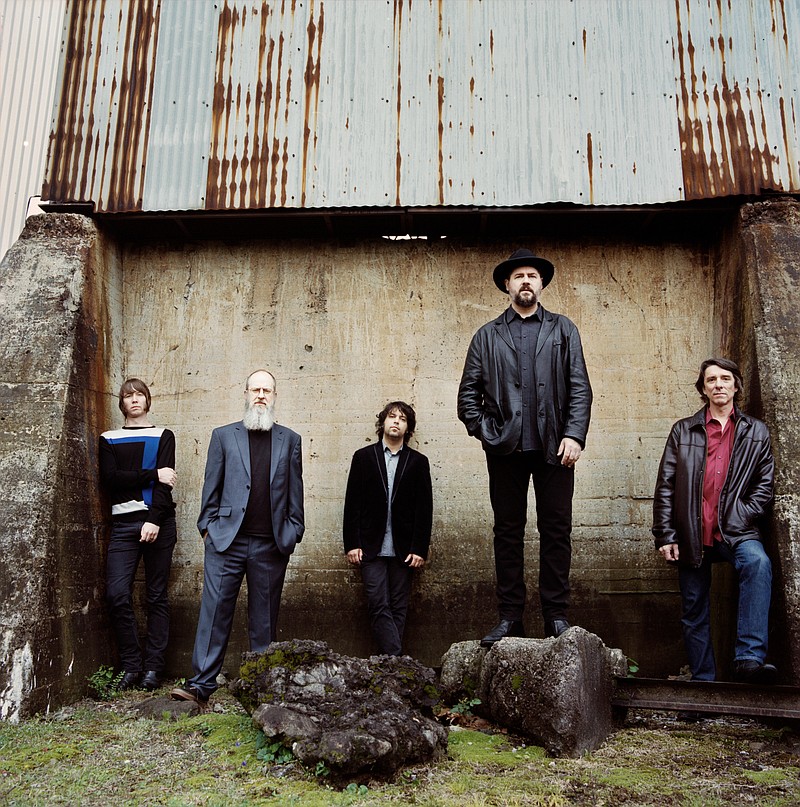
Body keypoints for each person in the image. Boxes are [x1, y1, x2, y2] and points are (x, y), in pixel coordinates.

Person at [457, 248, 592, 647]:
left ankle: (556, 616)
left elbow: (580, 388)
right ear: (507, 285)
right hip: (505, 450)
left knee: (556, 531)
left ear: (542, 283)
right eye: (519, 277)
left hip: (556, 449)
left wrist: (574, 434)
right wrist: (488, 432)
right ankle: (510, 617)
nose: (526, 281)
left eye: (533, 275)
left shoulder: (564, 329)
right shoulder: (487, 335)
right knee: (507, 533)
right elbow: (468, 397)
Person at [171, 369, 304, 707]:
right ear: (245, 393)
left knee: (264, 619)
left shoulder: (290, 439)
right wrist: (208, 528)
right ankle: (200, 685)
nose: (261, 395)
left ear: (275, 396)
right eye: (255, 389)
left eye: (267, 390)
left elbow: (295, 496)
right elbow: (210, 487)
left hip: (270, 544)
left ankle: (262, 687)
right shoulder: (223, 436)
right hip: (225, 542)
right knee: (214, 613)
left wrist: (291, 532)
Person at [653, 358, 776, 683]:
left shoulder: (756, 431)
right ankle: (704, 681)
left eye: (725, 379)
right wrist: (666, 535)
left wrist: (741, 515)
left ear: (736, 386)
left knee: (758, 564)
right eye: (711, 380)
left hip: (736, 531)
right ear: (703, 389)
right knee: (694, 607)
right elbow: (666, 484)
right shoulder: (684, 430)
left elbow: (764, 487)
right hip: (692, 533)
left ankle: (749, 658)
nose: (718, 384)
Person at [99, 378, 178, 691]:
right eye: (127, 396)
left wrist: (154, 519)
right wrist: (151, 474)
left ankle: (152, 670)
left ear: (147, 400)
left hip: (158, 522)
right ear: (121, 403)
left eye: (139, 395)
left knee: (156, 595)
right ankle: (132, 665)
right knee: (117, 594)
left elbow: (165, 485)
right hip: (122, 525)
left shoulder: (163, 436)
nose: (133, 400)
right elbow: (110, 479)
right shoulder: (109, 438)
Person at [343, 401, 433, 656]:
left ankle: (388, 665)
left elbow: (424, 509)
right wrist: (352, 543)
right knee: (377, 603)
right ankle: (395, 661)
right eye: (391, 417)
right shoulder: (363, 457)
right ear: (383, 422)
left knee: (398, 606)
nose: (396, 421)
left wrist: (419, 549)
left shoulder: (417, 462)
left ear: (408, 428)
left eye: (402, 419)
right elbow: (353, 504)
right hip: (370, 547)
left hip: (404, 549)